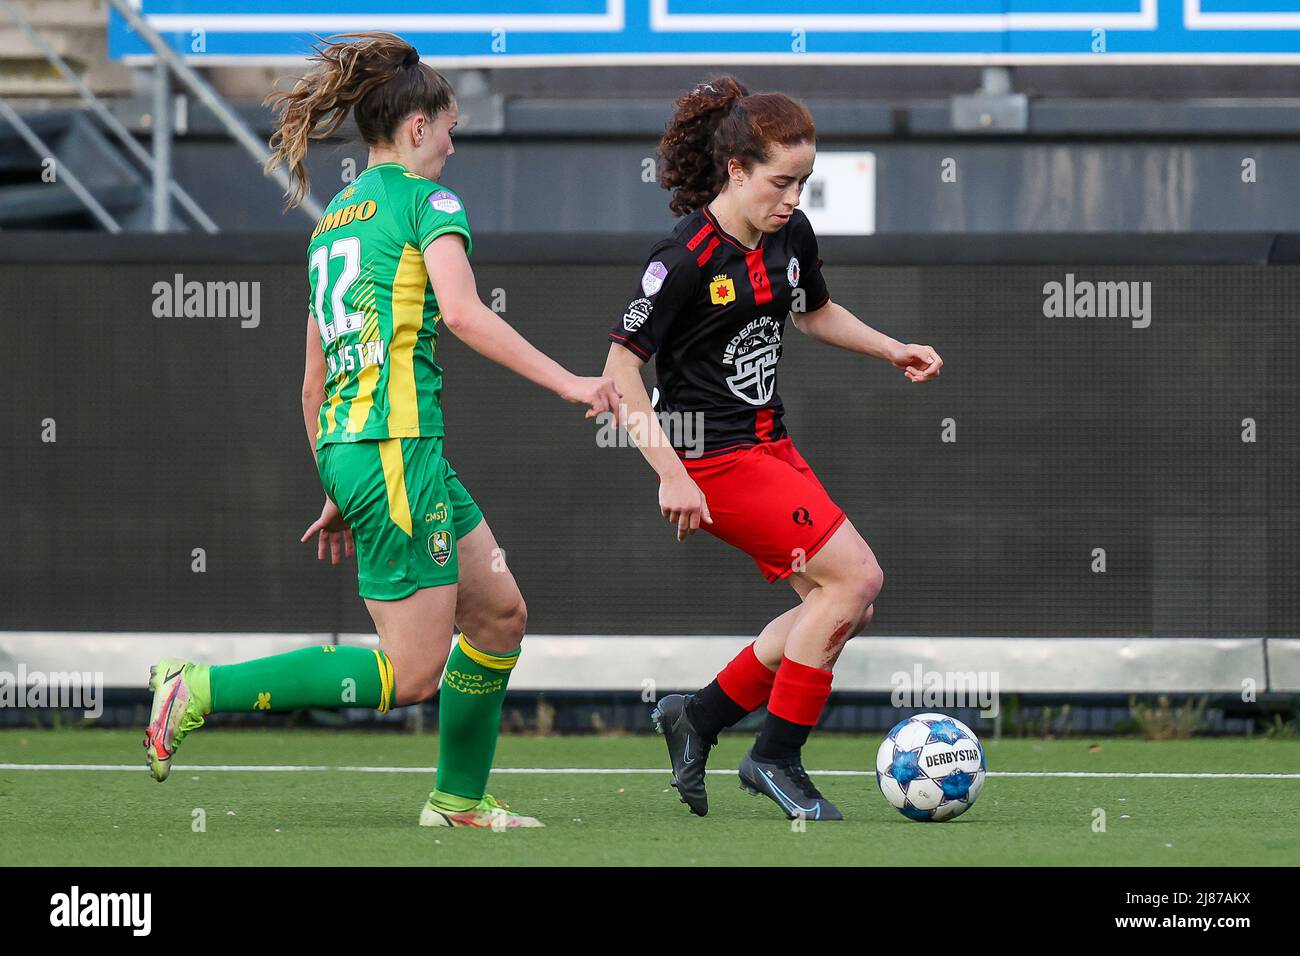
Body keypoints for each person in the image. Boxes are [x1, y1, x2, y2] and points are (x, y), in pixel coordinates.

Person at [143, 32, 620, 829]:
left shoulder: (333, 226)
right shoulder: (425, 201)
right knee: (413, 672)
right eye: (451, 125)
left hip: (368, 453)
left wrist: (338, 484)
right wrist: (571, 380)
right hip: (398, 453)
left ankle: (459, 800)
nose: (454, 142)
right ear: (417, 128)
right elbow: (465, 314)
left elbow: (311, 383)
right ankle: (199, 687)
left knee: (500, 615)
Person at [603, 75, 942, 821]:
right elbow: (619, 371)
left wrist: (892, 348)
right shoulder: (683, 256)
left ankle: (699, 715)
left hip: (769, 444)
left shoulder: (789, 235)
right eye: (780, 182)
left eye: (804, 182)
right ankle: (775, 757)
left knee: (843, 604)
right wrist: (669, 474)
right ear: (735, 171)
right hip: (708, 461)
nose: (792, 198)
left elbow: (814, 312)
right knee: (855, 580)